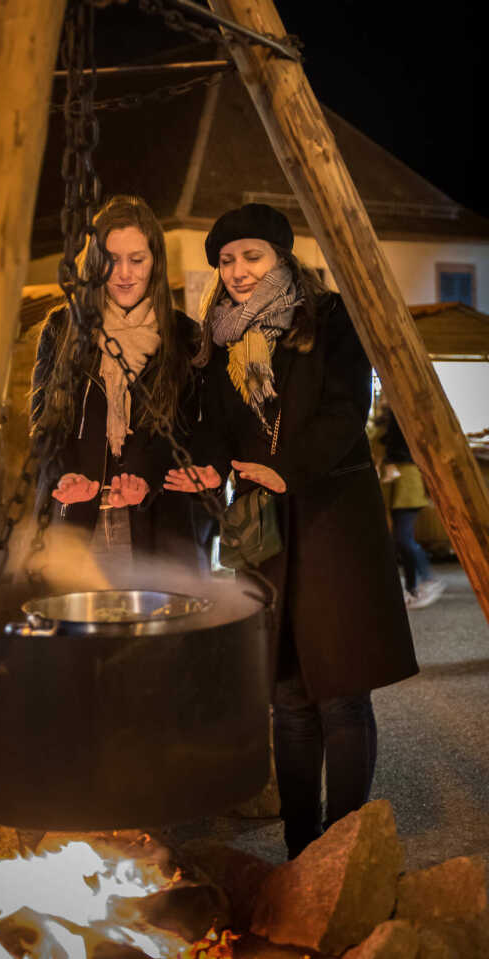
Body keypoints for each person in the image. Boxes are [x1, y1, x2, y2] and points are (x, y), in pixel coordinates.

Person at [165, 203, 419, 859]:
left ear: (280, 255)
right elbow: (217, 426)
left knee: (339, 691)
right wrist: (210, 468)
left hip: (333, 513)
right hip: (264, 526)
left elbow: (346, 406)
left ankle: (346, 846)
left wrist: (287, 470)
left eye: (250, 255)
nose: (238, 270)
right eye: (225, 260)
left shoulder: (328, 318)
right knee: (288, 695)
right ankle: (303, 848)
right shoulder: (216, 339)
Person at [31, 194, 202, 574]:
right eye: (112, 260)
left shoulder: (183, 337)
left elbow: (186, 433)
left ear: (154, 261)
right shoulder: (64, 330)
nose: (124, 273)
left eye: (136, 260)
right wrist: (63, 473)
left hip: (154, 527)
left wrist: (147, 479)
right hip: (77, 522)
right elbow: (45, 424)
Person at [375, 405, 445, 609]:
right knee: (403, 539)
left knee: (403, 539)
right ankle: (415, 587)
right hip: (399, 481)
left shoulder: (402, 415)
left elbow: (396, 444)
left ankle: (426, 580)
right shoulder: (392, 417)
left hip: (407, 481)